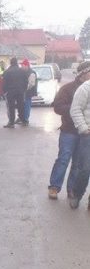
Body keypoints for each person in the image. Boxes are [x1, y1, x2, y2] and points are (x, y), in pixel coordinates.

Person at [48, 61, 90, 200]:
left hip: (85, 134)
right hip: (69, 131)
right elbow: (57, 107)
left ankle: (71, 190)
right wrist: (76, 110)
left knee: (78, 163)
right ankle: (54, 187)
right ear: (82, 73)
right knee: (63, 159)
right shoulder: (67, 88)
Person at [68, 75, 90, 209]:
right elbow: (75, 110)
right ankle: (77, 194)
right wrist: (84, 129)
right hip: (88, 135)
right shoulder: (85, 88)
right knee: (85, 168)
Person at [1, 57, 29, 128]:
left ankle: (11, 122)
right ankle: (23, 121)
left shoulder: (7, 72)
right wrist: (24, 89)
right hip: (20, 91)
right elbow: (26, 81)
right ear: (16, 62)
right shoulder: (22, 71)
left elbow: (4, 83)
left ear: (11, 63)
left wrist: (4, 91)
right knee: (21, 106)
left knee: (11, 107)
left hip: (10, 92)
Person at [21, 59, 36, 125]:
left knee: (27, 105)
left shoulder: (31, 73)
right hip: (24, 92)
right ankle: (22, 118)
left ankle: (26, 119)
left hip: (28, 92)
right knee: (23, 105)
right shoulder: (24, 72)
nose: (21, 66)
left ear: (26, 65)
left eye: (23, 65)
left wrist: (25, 89)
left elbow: (31, 84)